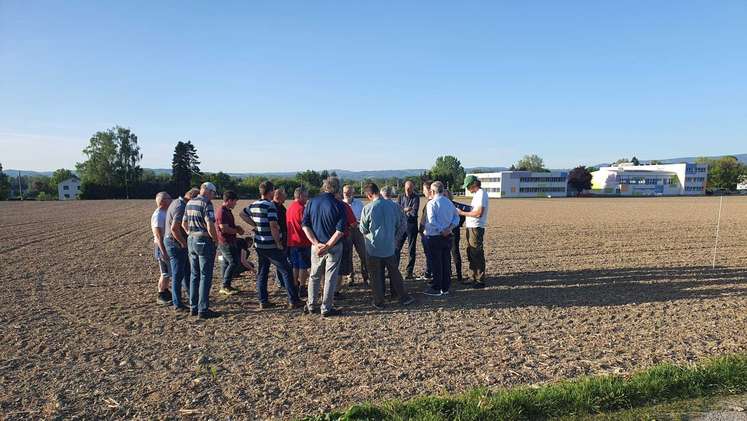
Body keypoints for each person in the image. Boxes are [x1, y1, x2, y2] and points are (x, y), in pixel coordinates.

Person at [240, 180, 303, 310]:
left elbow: (242, 214)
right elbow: (273, 226)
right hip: (271, 244)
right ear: (271, 191)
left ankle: (263, 300)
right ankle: (293, 300)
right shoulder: (270, 206)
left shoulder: (254, 204)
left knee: (263, 272)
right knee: (286, 270)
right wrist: (278, 242)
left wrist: (255, 224)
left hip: (259, 243)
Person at [359, 183, 416, 309]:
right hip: (390, 246)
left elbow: (363, 229)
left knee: (375, 275)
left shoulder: (368, 208)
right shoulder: (394, 206)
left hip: (373, 248)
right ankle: (403, 297)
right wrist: (395, 238)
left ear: (369, 195)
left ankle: (379, 301)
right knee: (394, 273)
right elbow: (402, 224)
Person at [301, 176, 347, 317]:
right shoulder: (340, 205)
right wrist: (327, 245)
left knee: (314, 275)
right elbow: (339, 231)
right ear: (337, 188)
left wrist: (315, 243)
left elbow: (305, 225)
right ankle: (326, 307)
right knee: (330, 277)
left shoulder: (311, 202)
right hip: (333, 246)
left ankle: (311, 304)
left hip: (316, 246)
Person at [181, 182, 220, 319]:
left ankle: (193, 307)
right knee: (205, 276)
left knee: (194, 275)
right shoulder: (206, 204)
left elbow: (183, 223)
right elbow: (210, 225)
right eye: (214, 193)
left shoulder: (190, 202)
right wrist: (215, 240)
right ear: (208, 191)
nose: (214, 196)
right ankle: (203, 309)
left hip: (191, 240)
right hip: (203, 241)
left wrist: (190, 233)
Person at [165, 187, 199, 311]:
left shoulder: (176, 202)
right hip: (175, 243)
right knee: (178, 274)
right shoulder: (181, 207)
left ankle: (192, 298)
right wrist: (183, 243)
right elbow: (174, 228)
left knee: (186, 272)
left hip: (175, 242)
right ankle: (177, 303)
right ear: (192, 198)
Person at [423, 181, 459, 297]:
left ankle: (437, 288)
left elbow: (432, 220)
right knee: (446, 261)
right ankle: (445, 287)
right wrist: (449, 229)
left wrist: (441, 230)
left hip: (434, 236)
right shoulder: (449, 202)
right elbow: (456, 218)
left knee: (436, 263)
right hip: (447, 236)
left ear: (432, 191)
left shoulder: (431, 203)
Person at [458, 175, 489, 288]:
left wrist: (461, 213)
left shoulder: (481, 194)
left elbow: (478, 213)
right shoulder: (477, 195)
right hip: (471, 226)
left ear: (474, 184)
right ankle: (472, 276)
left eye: (468, 186)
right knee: (471, 252)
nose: (467, 189)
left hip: (476, 227)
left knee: (477, 253)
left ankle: (480, 280)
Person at [216, 190, 245, 296]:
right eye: (234, 201)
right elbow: (224, 229)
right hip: (226, 241)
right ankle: (225, 285)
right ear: (229, 200)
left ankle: (225, 285)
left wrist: (236, 228)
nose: (235, 203)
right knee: (234, 262)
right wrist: (237, 231)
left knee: (226, 263)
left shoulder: (227, 211)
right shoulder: (222, 212)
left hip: (228, 241)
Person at [341, 185, 369, 286]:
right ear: (343, 193)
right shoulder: (341, 204)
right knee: (348, 255)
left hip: (358, 230)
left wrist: (359, 222)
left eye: (349, 193)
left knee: (363, 254)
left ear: (353, 193)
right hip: (346, 231)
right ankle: (350, 277)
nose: (347, 195)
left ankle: (366, 276)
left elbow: (363, 217)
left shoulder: (359, 203)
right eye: (345, 193)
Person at [286, 186, 312, 292]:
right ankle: (302, 286)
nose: (307, 198)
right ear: (300, 196)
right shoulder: (302, 209)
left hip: (292, 241)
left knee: (295, 265)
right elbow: (306, 224)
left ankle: (295, 284)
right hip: (302, 241)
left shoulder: (290, 208)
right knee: (303, 266)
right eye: (306, 196)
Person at [151, 191, 173, 306]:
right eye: (169, 198)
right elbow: (159, 235)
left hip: (165, 245)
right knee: (165, 272)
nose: (171, 200)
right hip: (161, 246)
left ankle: (165, 291)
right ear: (163, 201)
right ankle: (161, 295)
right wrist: (163, 251)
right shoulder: (158, 215)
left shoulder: (165, 212)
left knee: (168, 272)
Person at [396, 180, 420, 279]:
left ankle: (409, 272)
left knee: (411, 250)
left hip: (411, 226)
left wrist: (403, 210)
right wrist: (406, 209)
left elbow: (414, 212)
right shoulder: (400, 196)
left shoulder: (416, 197)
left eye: (410, 188)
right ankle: (394, 270)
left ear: (413, 188)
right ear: (404, 187)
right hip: (401, 226)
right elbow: (397, 210)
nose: (408, 190)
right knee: (397, 248)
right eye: (407, 188)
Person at [446, 190, 471, 284]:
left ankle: (459, 274)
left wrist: (459, 224)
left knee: (455, 252)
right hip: (445, 233)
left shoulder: (455, 205)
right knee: (446, 254)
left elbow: (463, 213)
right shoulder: (443, 205)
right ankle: (448, 273)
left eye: (445, 195)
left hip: (454, 232)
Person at [272, 188, 289, 288]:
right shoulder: (273, 206)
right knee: (280, 260)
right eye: (284, 195)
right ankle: (280, 281)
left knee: (282, 259)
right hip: (277, 237)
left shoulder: (281, 207)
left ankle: (280, 280)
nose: (286, 197)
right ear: (278, 196)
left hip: (284, 236)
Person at [418, 180, 434, 281]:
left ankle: (429, 272)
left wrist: (420, 229)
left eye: (424, 189)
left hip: (429, 233)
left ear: (429, 190)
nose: (423, 192)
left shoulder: (430, 203)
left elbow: (424, 219)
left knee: (429, 254)